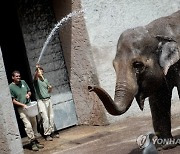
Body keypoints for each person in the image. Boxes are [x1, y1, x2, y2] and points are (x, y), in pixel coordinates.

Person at [9, 70, 44, 151]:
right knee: (28, 126)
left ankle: (35, 141)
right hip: (22, 109)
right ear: (13, 77)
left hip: (30, 106)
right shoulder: (11, 87)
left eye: (19, 76)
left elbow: (29, 91)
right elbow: (13, 100)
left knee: (34, 124)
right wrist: (22, 105)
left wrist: (28, 94)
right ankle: (32, 143)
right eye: (16, 76)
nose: (18, 77)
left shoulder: (23, 82)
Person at [33, 64, 59, 141]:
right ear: (37, 73)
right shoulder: (36, 81)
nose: (41, 73)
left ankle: (52, 132)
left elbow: (49, 91)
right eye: (39, 72)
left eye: (41, 71)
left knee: (51, 116)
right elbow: (35, 77)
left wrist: (50, 88)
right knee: (45, 118)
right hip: (41, 101)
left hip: (48, 99)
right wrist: (37, 68)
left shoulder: (45, 80)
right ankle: (47, 134)